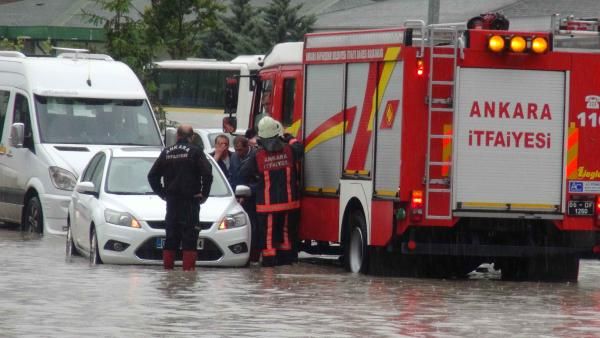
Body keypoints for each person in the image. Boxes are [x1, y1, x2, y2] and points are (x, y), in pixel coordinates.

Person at [147, 125, 213, 271]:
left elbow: (152, 176)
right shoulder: (196, 152)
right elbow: (208, 173)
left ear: (177, 136)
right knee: (190, 239)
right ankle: (188, 277)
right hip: (190, 201)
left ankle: (168, 274)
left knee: (171, 238)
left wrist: (163, 193)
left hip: (172, 202)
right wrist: (204, 194)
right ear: (192, 136)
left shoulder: (166, 152)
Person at [240, 116, 303, 267]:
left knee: (268, 237)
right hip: (289, 204)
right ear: (277, 134)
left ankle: (269, 267)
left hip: (267, 206)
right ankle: (286, 262)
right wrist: (290, 138)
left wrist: (256, 180)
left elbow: (243, 173)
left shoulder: (258, 155)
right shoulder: (289, 150)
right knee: (286, 234)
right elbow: (300, 148)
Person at [229, 135, 260, 262]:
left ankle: (254, 256)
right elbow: (232, 177)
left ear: (247, 147)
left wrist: (248, 192)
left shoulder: (255, 157)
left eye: (240, 150)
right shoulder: (234, 157)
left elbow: (259, 180)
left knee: (254, 227)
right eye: (236, 150)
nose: (238, 152)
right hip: (238, 198)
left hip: (253, 198)